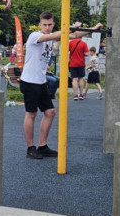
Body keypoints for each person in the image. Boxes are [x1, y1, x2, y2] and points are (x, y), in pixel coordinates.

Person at [20, 14, 77, 159]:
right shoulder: (35, 36)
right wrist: (69, 29)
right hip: (29, 82)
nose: (47, 27)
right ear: (40, 24)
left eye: (49, 24)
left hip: (40, 81)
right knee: (31, 114)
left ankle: (43, 146)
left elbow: (73, 35)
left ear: (53, 24)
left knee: (50, 112)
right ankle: (30, 148)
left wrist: (92, 29)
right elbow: (51, 36)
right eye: (44, 24)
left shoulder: (52, 35)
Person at [67, 29, 91, 100]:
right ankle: (81, 94)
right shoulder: (83, 44)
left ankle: (75, 95)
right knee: (81, 78)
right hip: (81, 63)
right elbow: (86, 54)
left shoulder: (70, 43)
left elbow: (66, 51)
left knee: (74, 79)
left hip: (72, 64)